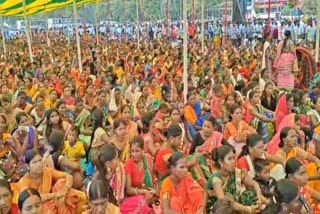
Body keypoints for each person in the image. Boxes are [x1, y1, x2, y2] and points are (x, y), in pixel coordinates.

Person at [18, 149, 87, 214]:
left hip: (55, 200)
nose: (39, 164)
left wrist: (64, 190)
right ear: (28, 166)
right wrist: (56, 195)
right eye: (34, 162)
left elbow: (68, 176)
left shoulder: (47, 171)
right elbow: (30, 199)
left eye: (40, 160)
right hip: (38, 207)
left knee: (61, 183)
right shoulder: (23, 181)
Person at [207, 145, 265, 212]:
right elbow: (224, 204)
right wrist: (248, 209)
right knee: (228, 198)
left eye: (234, 158)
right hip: (220, 211)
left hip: (233, 206)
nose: (233, 161)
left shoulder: (235, 172)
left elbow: (254, 183)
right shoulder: (216, 179)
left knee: (250, 194)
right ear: (220, 162)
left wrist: (259, 196)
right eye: (229, 159)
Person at [120, 136, 157, 213]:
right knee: (144, 204)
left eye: (137, 151)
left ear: (143, 150)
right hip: (135, 198)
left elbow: (154, 177)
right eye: (132, 151)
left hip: (149, 193)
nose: (134, 154)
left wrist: (155, 189)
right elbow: (128, 190)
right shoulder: (129, 164)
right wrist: (143, 191)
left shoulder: (148, 158)